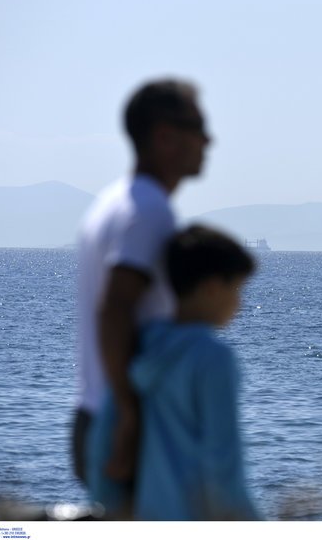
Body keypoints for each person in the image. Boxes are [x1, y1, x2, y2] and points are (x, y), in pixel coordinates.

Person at [73, 79, 211, 486]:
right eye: (197, 126)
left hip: (96, 411)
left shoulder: (114, 202)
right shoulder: (148, 212)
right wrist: (130, 415)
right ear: (165, 136)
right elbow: (116, 309)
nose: (209, 139)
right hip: (119, 422)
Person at [87, 225, 260, 520]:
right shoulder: (213, 358)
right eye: (237, 289)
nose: (239, 304)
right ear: (213, 288)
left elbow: (103, 450)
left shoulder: (139, 348)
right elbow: (224, 473)